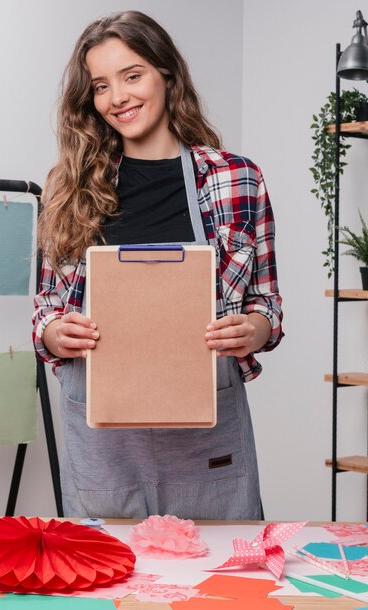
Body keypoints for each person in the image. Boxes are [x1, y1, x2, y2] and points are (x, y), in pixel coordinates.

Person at [32, 10, 283, 520]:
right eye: (100, 86)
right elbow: (45, 308)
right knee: (108, 578)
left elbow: (267, 305)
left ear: (167, 75)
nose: (117, 98)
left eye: (132, 75)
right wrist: (57, 333)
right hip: (101, 420)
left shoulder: (237, 179)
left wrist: (251, 330)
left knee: (222, 578)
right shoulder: (69, 186)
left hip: (206, 409)